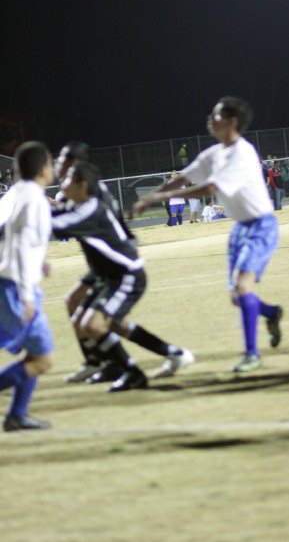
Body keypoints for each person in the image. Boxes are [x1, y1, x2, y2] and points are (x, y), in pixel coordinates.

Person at [134, 96, 283, 374]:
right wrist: (156, 195)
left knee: (242, 287)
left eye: (216, 116)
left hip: (261, 226)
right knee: (237, 297)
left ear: (232, 122)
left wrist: (164, 195)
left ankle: (251, 354)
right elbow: (184, 177)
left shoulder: (243, 152)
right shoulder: (214, 154)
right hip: (240, 229)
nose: (209, 120)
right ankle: (272, 313)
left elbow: (211, 187)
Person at [52, 161, 194, 389]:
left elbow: (52, 224)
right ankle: (168, 355)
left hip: (125, 274)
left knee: (95, 324)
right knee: (93, 319)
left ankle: (131, 371)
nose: (62, 181)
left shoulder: (89, 209)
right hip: (107, 272)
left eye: (67, 177)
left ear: (82, 184)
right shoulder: (80, 204)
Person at [52, 141, 137, 383]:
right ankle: (96, 361)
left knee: (100, 320)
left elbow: (86, 222)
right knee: (75, 303)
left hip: (112, 261)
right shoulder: (79, 189)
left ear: (76, 165)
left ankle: (121, 362)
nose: (59, 164)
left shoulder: (94, 191)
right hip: (101, 261)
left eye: (64, 160)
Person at [0, 142, 54, 431]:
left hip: (6, 282)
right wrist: (26, 295)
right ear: (45, 168)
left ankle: (17, 415)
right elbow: (20, 244)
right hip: (16, 287)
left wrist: (40, 259)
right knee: (44, 359)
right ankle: (17, 414)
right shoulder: (35, 199)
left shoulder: (13, 195)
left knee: (33, 354)